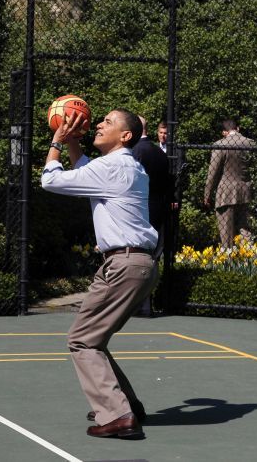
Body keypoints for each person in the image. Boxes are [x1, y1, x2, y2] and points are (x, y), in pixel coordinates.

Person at [41, 108, 158, 440]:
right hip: (134, 264)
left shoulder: (113, 167)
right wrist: (75, 143)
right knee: (94, 339)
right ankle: (127, 407)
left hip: (124, 264)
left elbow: (50, 180)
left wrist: (58, 142)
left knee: (81, 340)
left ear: (126, 136)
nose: (99, 124)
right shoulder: (123, 166)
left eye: (108, 122)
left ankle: (118, 416)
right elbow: (87, 171)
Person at [132, 115, 171, 316]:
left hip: (140, 210)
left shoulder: (135, 152)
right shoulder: (160, 153)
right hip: (157, 210)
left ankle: (138, 304)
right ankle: (146, 304)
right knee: (151, 257)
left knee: (137, 257)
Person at [203, 119, 255, 249]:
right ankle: (249, 260)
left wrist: (207, 194)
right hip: (247, 192)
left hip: (226, 193)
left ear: (224, 132)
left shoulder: (220, 145)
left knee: (226, 233)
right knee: (246, 230)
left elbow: (212, 173)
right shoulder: (251, 143)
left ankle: (228, 262)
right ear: (238, 128)